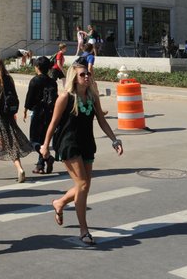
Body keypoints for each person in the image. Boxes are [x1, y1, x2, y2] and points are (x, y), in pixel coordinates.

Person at [40, 63, 123, 246]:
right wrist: (45, 145)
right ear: (74, 78)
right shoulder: (65, 97)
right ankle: (84, 230)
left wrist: (114, 140)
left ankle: (60, 202)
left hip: (86, 143)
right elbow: (53, 123)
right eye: (82, 74)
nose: (87, 77)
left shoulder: (93, 97)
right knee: (83, 184)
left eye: (88, 74)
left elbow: (102, 121)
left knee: (84, 186)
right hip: (68, 143)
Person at [24, 56, 59, 174]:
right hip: (50, 113)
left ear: (37, 67)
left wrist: (25, 109)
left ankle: (48, 157)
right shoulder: (52, 82)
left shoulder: (35, 80)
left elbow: (29, 98)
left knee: (33, 140)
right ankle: (40, 165)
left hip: (38, 112)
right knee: (44, 139)